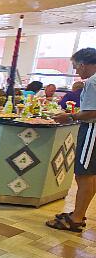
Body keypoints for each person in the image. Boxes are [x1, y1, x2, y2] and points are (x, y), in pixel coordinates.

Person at [47, 48, 96, 232]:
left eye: (76, 67)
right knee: (91, 175)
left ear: (83, 64)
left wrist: (69, 117)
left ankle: (75, 218)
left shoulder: (92, 82)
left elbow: (92, 112)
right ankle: (79, 213)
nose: (76, 71)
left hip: (91, 130)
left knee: (83, 175)